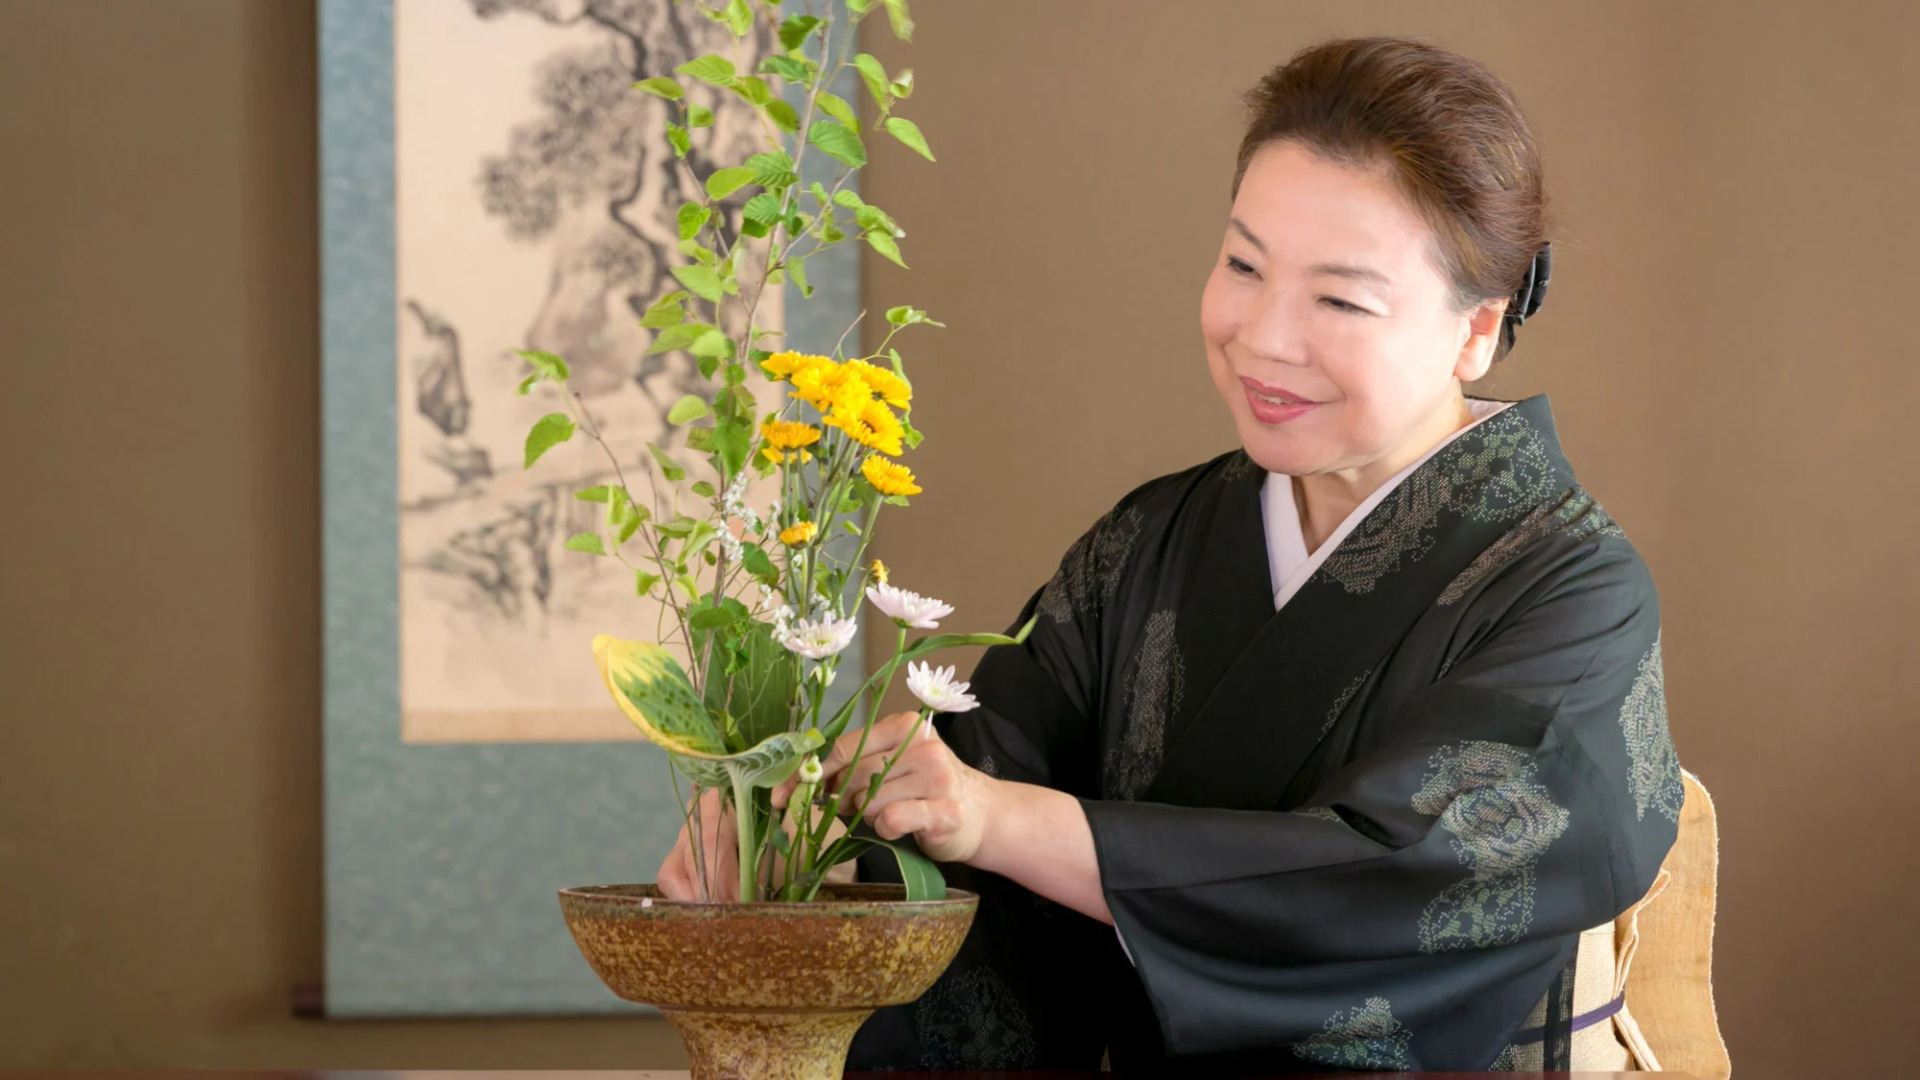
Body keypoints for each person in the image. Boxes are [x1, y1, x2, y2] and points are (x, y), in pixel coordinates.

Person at [661, 35, 1682, 1074]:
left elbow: (1409, 879)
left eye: (1338, 300)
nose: (1263, 337)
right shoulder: (1150, 542)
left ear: (1476, 331)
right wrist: (800, 848)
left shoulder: (1571, 592)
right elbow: (979, 789)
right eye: (1243, 265)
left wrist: (1006, 822)